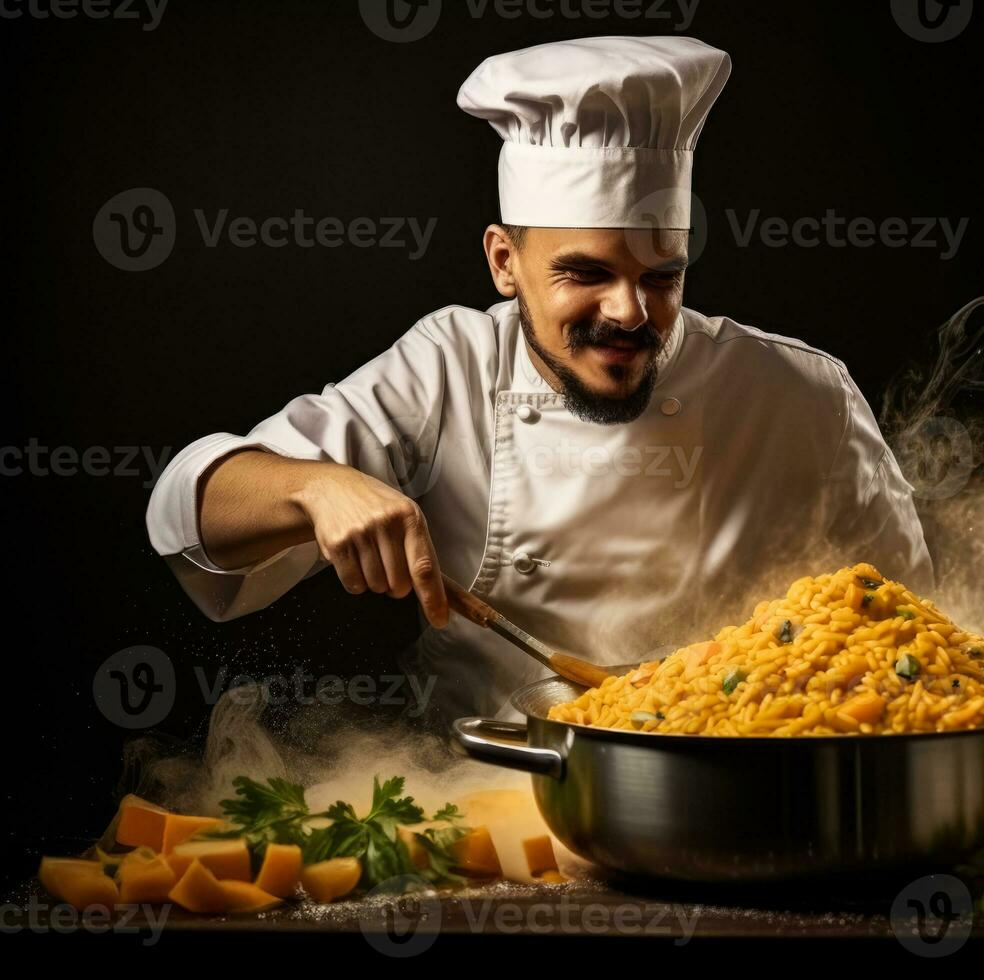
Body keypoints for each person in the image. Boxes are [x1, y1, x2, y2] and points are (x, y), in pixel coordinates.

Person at [146, 36, 932, 723]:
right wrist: (312, 488)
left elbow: (917, 634)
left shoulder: (802, 396)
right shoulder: (446, 368)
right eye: (586, 274)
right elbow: (189, 509)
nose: (630, 313)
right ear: (503, 262)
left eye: (662, 276)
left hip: (734, 800)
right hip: (484, 801)